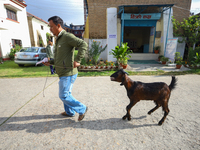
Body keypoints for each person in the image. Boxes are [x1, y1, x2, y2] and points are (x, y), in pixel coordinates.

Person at [43, 16, 88, 121]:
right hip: (63, 72)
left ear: (58, 26)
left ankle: (82, 108)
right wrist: (50, 62)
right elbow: (60, 57)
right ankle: (70, 112)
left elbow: (83, 44)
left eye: (51, 27)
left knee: (63, 95)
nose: (50, 29)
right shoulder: (58, 39)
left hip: (68, 73)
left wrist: (77, 60)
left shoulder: (67, 36)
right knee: (67, 94)